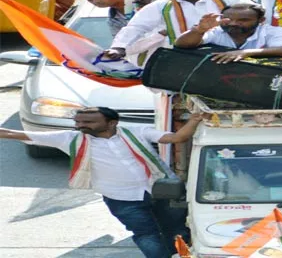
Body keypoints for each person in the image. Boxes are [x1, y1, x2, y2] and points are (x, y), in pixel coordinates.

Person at [0, 106, 205, 258]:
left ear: (112, 123)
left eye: (88, 122)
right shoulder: (69, 138)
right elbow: (14, 133)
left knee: (176, 229)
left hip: (160, 192)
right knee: (146, 235)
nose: (80, 126)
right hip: (122, 200)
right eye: (79, 122)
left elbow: (177, 138)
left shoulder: (137, 132)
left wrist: (195, 120)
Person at [104, 0, 252, 60]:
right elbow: (136, 28)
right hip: (186, 57)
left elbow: (258, 22)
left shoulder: (232, 0)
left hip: (232, 54)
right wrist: (119, 47)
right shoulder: (160, 6)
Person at [174, 3, 282, 63]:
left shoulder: (274, 32)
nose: (233, 23)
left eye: (243, 20)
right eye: (229, 19)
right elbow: (181, 45)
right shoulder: (216, 30)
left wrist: (245, 53)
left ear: (261, 20)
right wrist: (199, 30)